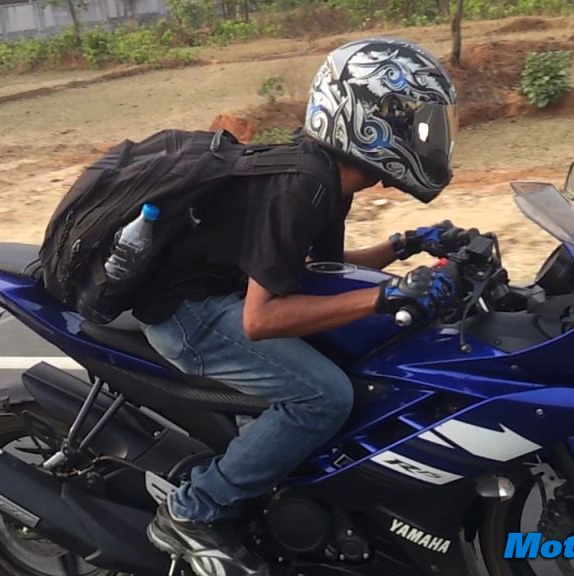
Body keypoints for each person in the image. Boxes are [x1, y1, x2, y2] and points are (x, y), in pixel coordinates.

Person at [139, 38, 461, 576]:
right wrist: (387, 296)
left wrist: (406, 246)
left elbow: (321, 270)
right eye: (412, 121)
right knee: (325, 397)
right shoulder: (305, 184)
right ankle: (193, 509)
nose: (425, 136)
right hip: (189, 315)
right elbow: (260, 319)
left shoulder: (329, 178)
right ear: (367, 119)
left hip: (223, 292)